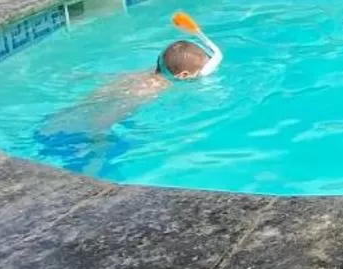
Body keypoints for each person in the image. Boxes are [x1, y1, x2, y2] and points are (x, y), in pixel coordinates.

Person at [37, 14, 222, 164]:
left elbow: (103, 84)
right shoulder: (149, 91)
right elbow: (103, 119)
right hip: (70, 136)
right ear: (183, 76)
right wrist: (100, 147)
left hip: (55, 119)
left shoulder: (142, 74)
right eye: (200, 73)